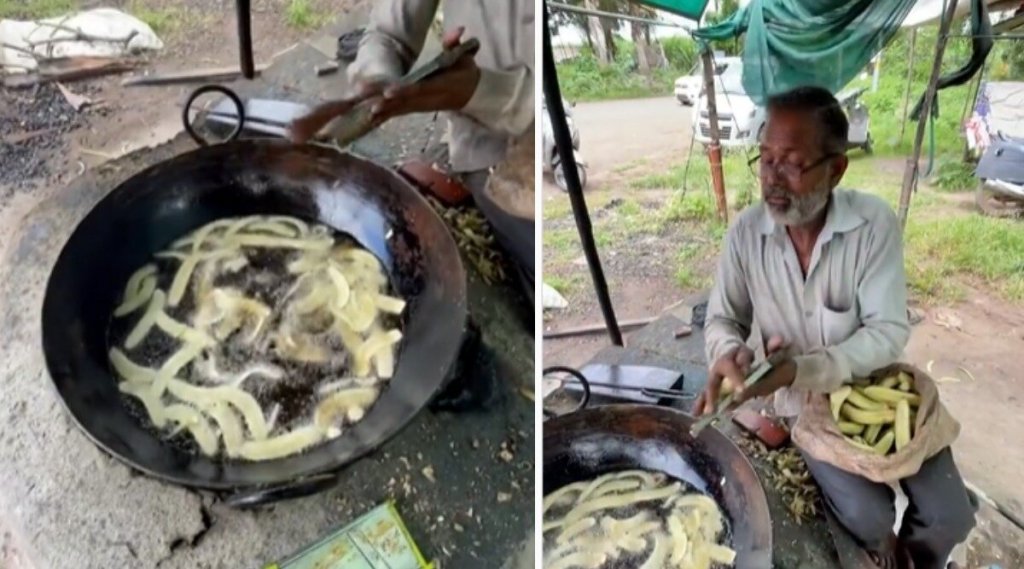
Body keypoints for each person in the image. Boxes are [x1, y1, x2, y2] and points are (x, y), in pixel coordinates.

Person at [692, 85, 975, 569]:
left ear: (836, 168)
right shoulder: (745, 234)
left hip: (876, 394)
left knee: (950, 515)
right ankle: (882, 552)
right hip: (803, 408)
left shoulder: (872, 226)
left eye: (792, 163)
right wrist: (727, 351)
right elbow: (723, 317)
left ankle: (918, 560)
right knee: (868, 516)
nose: (773, 180)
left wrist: (802, 367)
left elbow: (887, 332)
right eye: (765, 160)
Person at [289, 0, 536, 292]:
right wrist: (376, 73)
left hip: (526, 167)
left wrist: (483, 93)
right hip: (478, 142)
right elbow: (388, 33)